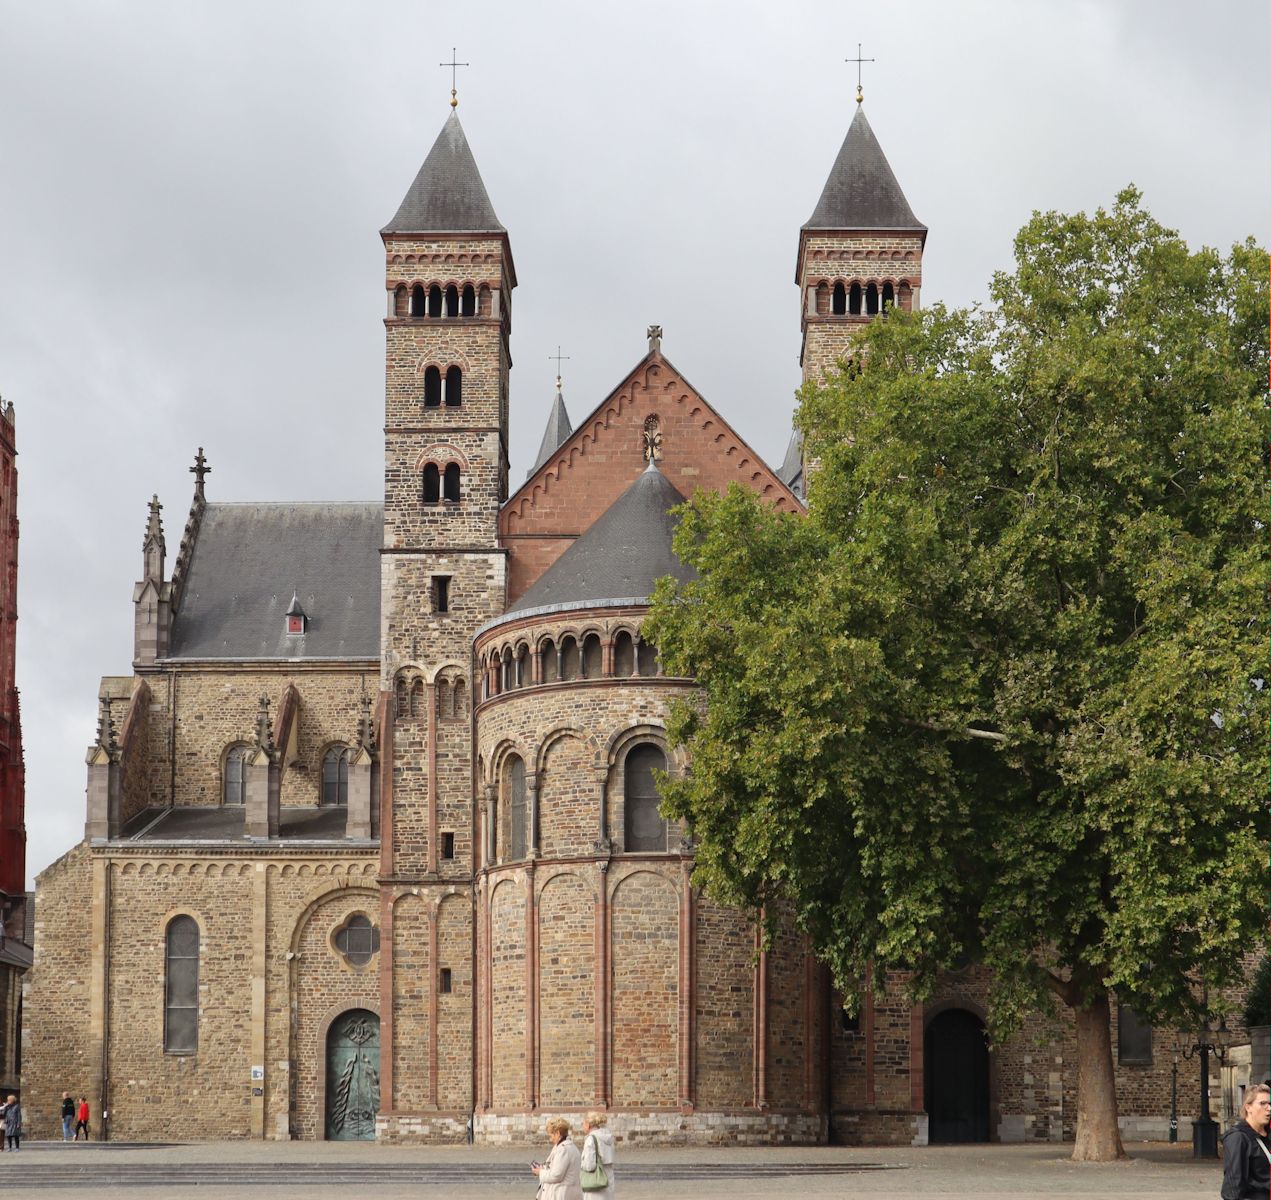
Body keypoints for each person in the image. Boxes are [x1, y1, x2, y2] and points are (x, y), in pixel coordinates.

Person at [1222, 1081, 1271, 1199]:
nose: (1269, 1108)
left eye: (1270, 1103)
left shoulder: (1268, 1135)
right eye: (1262, 1103)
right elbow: (1233, 1187)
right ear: (1248, 1107)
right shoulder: (1238, 1138)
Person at [531, 1116, 582, 1200]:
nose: (550, 1139)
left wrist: (540, 1172)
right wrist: (543, 1168)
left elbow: (556, 1176)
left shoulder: (563, 1149)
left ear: (557, 1133)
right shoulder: (568, 1147)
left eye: (551, 1135)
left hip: (561, 1194)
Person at [580, 1111, 616, 1197]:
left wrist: (582, 1164)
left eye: (583, 1123)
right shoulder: (608, 1137)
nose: (582, 1126)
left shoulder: (591, 1139)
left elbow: (589, 1166)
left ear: (588, 1124)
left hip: (595, 1184)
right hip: (608, 1180)